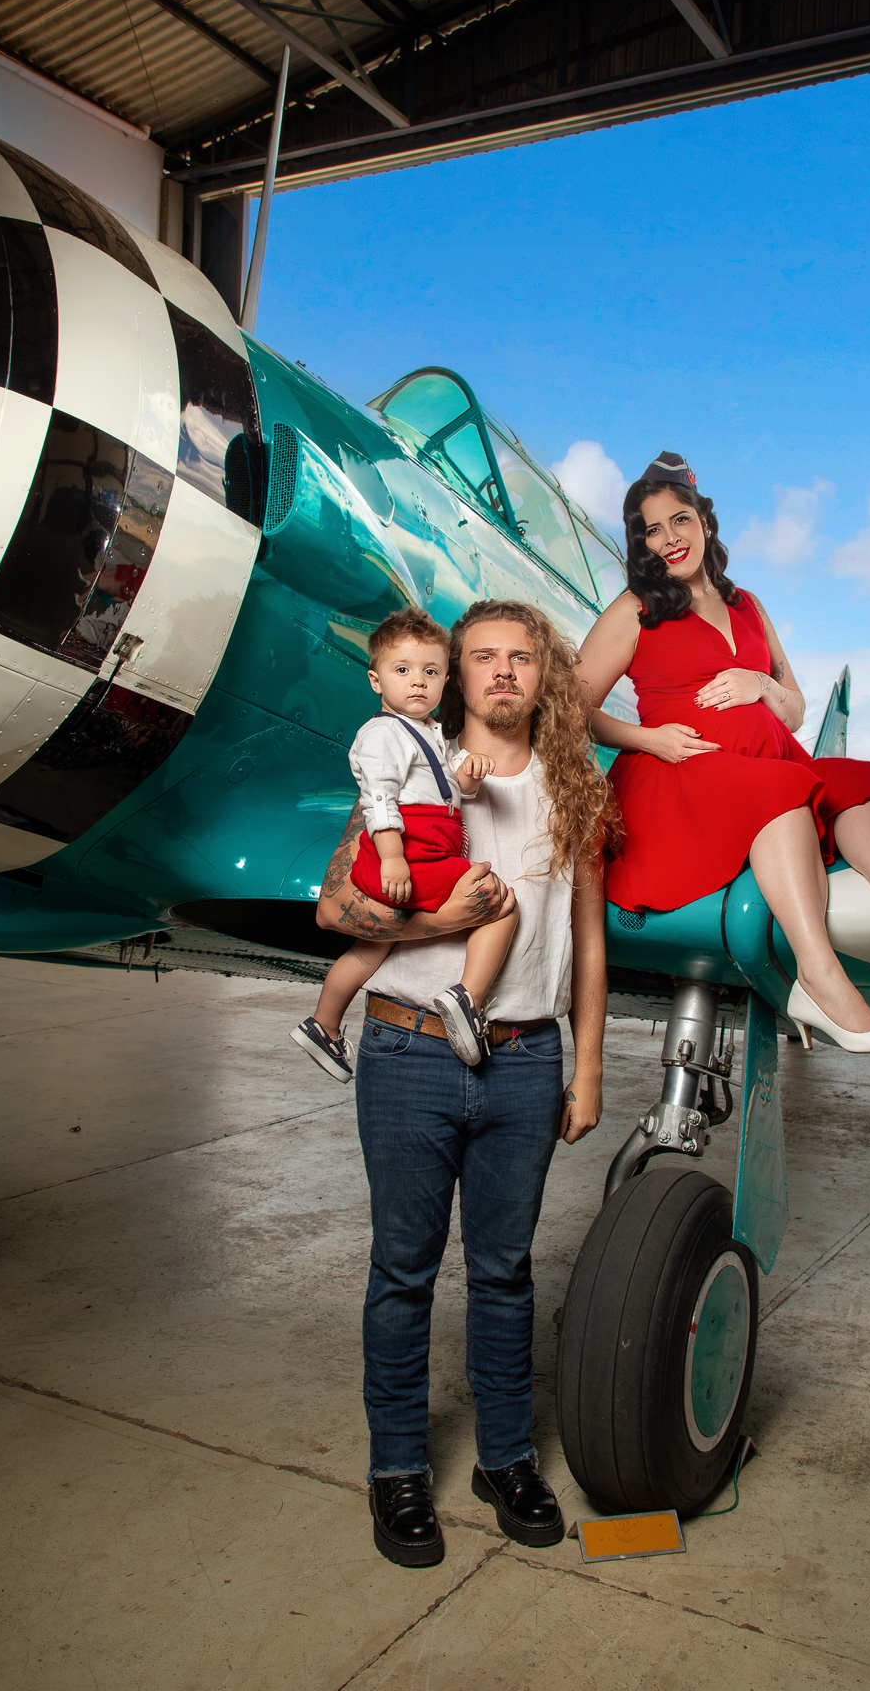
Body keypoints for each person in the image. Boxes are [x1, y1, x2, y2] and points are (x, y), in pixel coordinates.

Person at [315, 599, 612, 1568]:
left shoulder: (574, 788)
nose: (503, 672)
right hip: (409, 1052)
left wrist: (588, 1064)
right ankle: (398, 1467)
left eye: (521, 657)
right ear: (458, 671)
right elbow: (336, 907)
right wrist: (446, 921)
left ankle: (506, 1458)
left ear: (543, 673)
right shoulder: (411, 762)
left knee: (504, 1272)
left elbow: (589, 939)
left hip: (526, 1060)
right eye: (483, 656)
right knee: (403, 1270)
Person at [578, 452, 870, 1055]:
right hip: (677, 774)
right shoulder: (634, 609)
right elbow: (572, 706)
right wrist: (648, 738)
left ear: (704, 522)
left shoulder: (749, 606)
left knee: (863, 779)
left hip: (768, 762)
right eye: (652, 531)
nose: (670, 539)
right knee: (784, 789)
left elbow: (793, 709)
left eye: (680, 520)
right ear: (642, 544)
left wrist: (760, 683)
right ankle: (819, 982)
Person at [291, 608, 517, 1077]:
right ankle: (467, 998)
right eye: (402, 670)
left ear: (445, 681)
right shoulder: (382, 733)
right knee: (498, 901)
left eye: (430, 672)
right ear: (376, 680)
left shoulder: (428, 732)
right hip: (408, 852)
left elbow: (447, 791)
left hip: (422, 847)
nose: (418, 681)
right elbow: (379, 799)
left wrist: (468, 776)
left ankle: (323, 1024)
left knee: (369, 950)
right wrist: (393, 859)